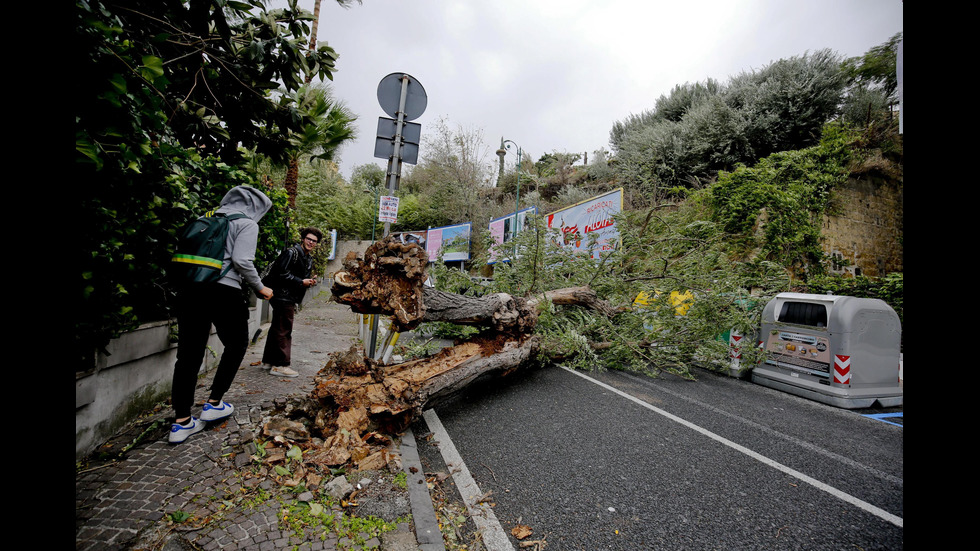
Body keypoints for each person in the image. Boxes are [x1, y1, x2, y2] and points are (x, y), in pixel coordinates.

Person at [169, 185, 274, 444]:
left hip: (190, 289)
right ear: (256, 206)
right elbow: (242, 261)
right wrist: (260, 287)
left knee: (188, 354)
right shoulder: (247, 224)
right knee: (237, 343)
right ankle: (214, 402)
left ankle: (181, 422)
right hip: (223, 290)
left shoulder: (206, 219)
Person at [260, 227, 323, 377]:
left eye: (314, 241)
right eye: (308, 239)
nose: (311, 242)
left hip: (288, 296)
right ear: (303, 239)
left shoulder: (307, 257)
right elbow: (281, 274)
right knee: (284, 329)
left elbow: (299, 277)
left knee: (277, 328)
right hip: (282, 296)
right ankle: (280, 365)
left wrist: (308, 281)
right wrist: (301, 282)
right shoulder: (291, 253)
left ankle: (268, 361)